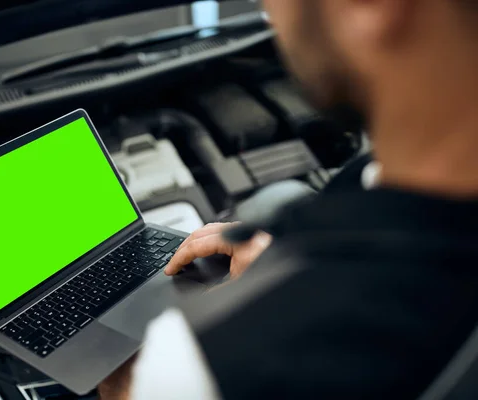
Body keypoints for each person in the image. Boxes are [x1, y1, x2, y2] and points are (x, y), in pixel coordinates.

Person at [99, 0, 478, 398]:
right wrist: (277, 263)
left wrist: (124, 373)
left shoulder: (211, 366)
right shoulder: (371, 178)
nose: (268, 14)